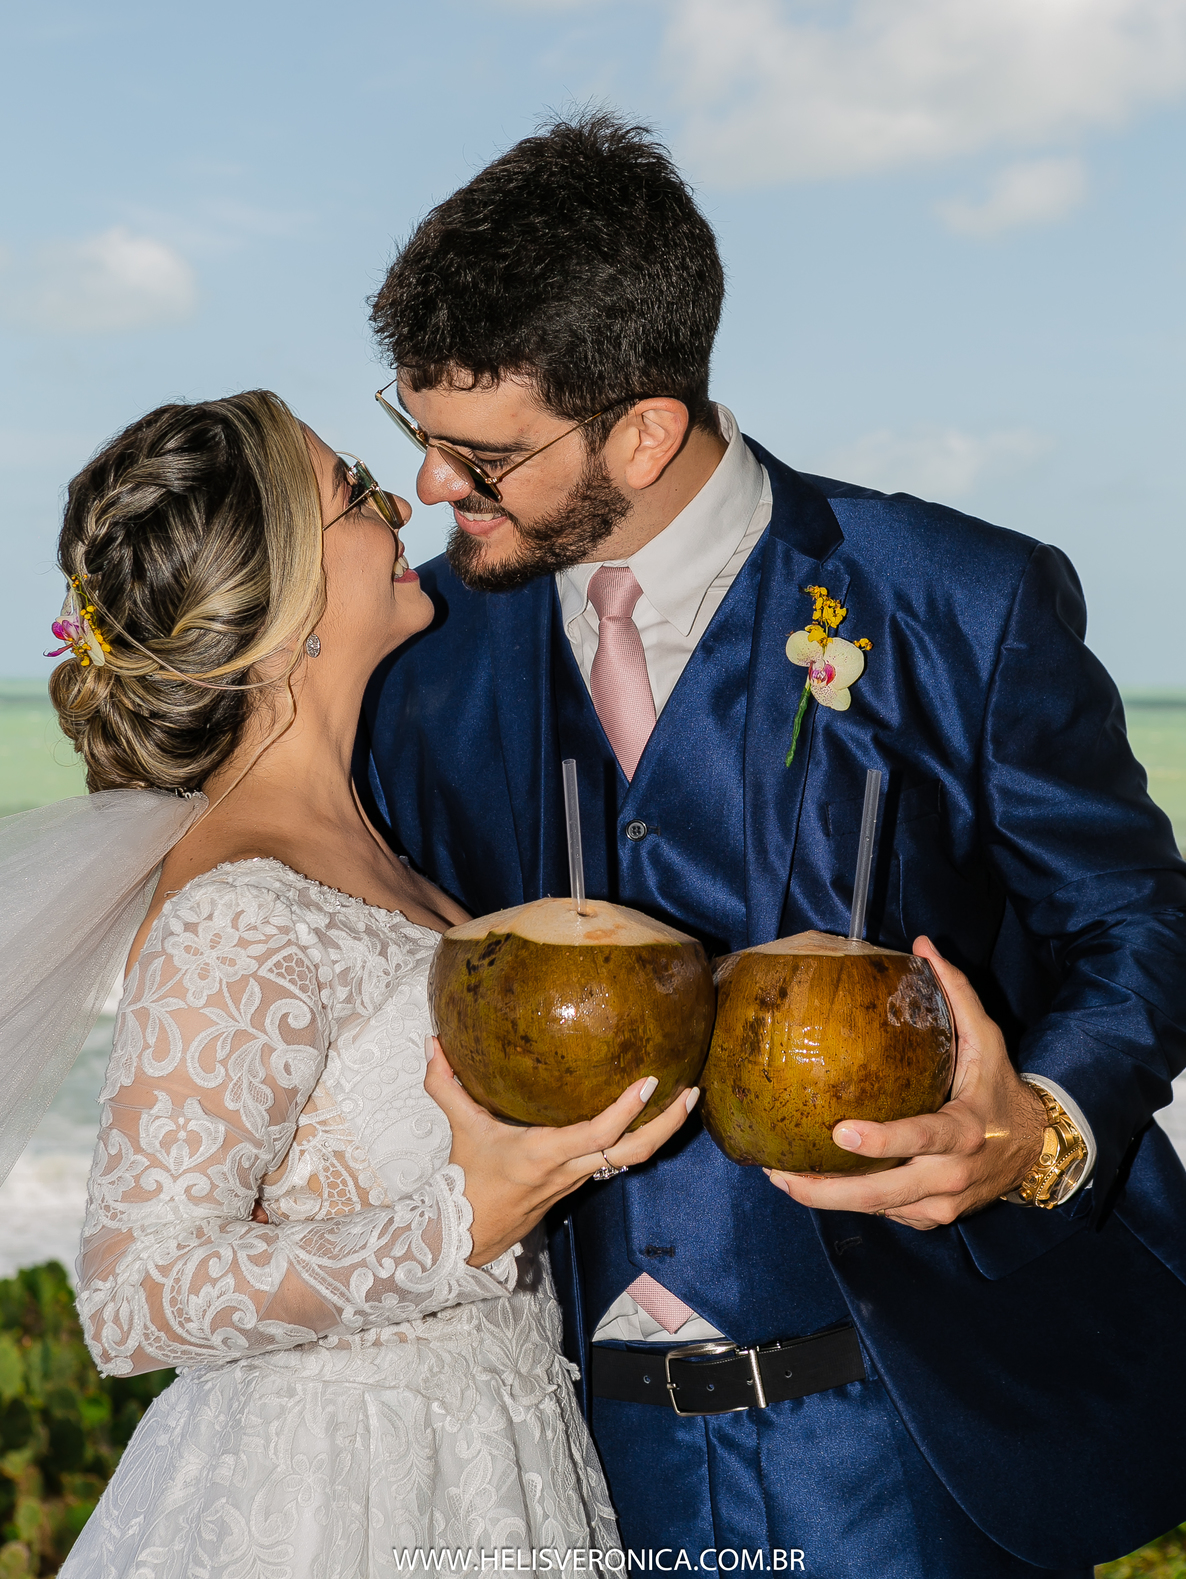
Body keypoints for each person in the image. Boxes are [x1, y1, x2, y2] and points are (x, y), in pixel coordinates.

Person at [359, 112, 1186, 1577]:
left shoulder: (961, 598)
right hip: (553, 1467)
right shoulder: (420, 669)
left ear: (645, 426)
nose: (435, 488)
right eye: (416, 433)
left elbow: (1140, 922)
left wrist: (1037, 1131)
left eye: (481, 454)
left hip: (907, 1455)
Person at [3, 389, 696, 1577]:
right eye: (354, 493)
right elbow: (134, 1295)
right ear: (285, 612)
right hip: (338, 1493)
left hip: (497, 1460)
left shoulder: (382, 853)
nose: (401, 507)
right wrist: (460, 1222)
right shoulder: (237, 903)